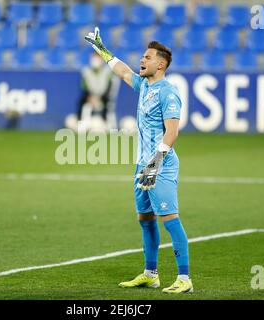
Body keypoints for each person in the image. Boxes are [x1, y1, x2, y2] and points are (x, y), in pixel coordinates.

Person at [85, 27, 192, 294]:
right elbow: (122, 71)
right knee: (145, 219)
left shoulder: (169, 92)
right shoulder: (144, 84)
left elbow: (173, 131)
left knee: (170, 219)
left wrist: (155, 162)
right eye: (142, 57)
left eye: (147, 57)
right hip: (141, 165)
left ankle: (185, 279)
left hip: (161, 165)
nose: (141, 61)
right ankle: (150, 274)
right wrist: (102, 49)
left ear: (161, 64)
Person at [77, 52, 118, 132]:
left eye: (97, 59)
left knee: (107, 101)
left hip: (104, 96)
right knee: (81, 101)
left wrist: (100, 98)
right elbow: (84, 87)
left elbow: (110, 87)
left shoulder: (107, 71)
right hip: (91, 96)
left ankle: (106, 122)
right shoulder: (86, 71)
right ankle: (81, 123)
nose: (95, 61)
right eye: (94, 58)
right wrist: (91, 97)